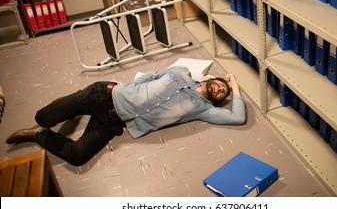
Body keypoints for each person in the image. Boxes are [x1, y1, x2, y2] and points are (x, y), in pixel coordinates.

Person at [6, 65, 246, 166]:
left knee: (78, 155)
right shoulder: (181, 72)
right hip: (103, 95)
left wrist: (234, 86)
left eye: (222, 92)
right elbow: (150, 75)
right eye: (219, 84)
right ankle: (69, 107)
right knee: (43, 116)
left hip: (113, 121)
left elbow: (237, 117)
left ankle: (38, 135)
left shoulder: (203, 109)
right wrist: (127, 88)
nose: (219, 89)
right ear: (210, 79)